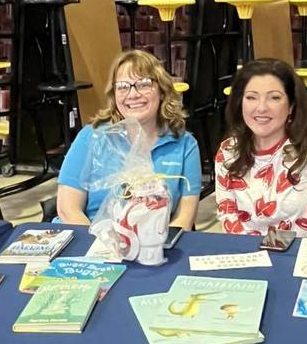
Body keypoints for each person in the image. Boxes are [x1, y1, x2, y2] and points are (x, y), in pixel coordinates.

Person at [215, 57, 307, 239]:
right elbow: (229, 218)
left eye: (274, 98)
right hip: (258, 255)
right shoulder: (228, 152)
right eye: (251, 97)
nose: (261, 108)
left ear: (291, 106)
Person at [57, 49, 201, 230]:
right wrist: (100, 247)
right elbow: (68, 209)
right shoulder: (91, 137)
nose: (132, 94)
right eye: (123, 86)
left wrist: (155, 247)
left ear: (162, 91)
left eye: (143, 84)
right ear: (114, 94)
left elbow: (185, 218)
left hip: (155, 247)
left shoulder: (185, 145)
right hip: (93, 241)